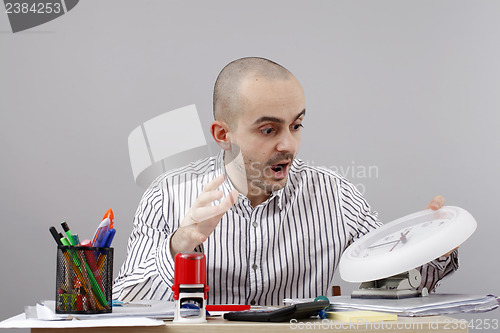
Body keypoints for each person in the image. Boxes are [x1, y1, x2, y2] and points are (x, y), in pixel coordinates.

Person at [113, 57, 458, 305]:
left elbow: (390, 277)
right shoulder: (167, 195)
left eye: (296, 125)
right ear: (223, 134)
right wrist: (181, 244)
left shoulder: (335, 195)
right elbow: (125, 299)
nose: (288, 145)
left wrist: (434, 245)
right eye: (268, 129)